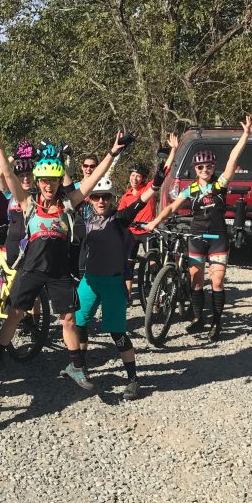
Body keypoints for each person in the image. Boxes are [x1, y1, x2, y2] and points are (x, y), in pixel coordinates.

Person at [0, 131, 132, 388]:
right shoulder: (28, 203)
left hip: (59, 272)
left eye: (53, 180)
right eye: (44, 180)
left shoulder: (69, 203)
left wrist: (113, 151)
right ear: (37, 180)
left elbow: (95, 178)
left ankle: (77, 367)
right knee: (15, 314)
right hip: (31, 269)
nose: (48, 185)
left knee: (68, 319)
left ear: (58, 181)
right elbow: (8, 176)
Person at [145, 115, 252, 341]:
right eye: (201, 166)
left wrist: (245, 136)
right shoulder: (190, 190)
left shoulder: (219, 184)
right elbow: (172, 208)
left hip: (218, 238)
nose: (205, 169)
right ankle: (198, 318)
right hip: (196, 237)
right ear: (195, 169)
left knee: (216, 282)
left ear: (213, 167)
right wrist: (155, 222)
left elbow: (232, 161)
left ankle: (216, 322)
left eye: (209, 166)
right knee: (196, 282)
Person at [75, 168, 164, 399]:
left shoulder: (120, 218)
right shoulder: (85, 215)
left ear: (113, 199)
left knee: (117, 333)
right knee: (79, 325)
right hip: (90, 280)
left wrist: (155, 185)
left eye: (106, 196)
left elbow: (140, 201)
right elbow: (68, 192)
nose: (101, 201)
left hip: (113, 283)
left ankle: (133, 380)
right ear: (90, 199)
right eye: (96, 196)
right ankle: (81, 369)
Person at [119, 135, 179, 300]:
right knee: (128, 264)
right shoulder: (125, 196)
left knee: (153, 263)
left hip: (147, 229)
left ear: (143, 178)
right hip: (131, 231)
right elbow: (121, 217)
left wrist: (173, 149)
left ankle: (157, 291)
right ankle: (127, 296)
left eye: (138, 176)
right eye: (132, 175)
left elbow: (165, 170)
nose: (134, 178)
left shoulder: (148, 188)